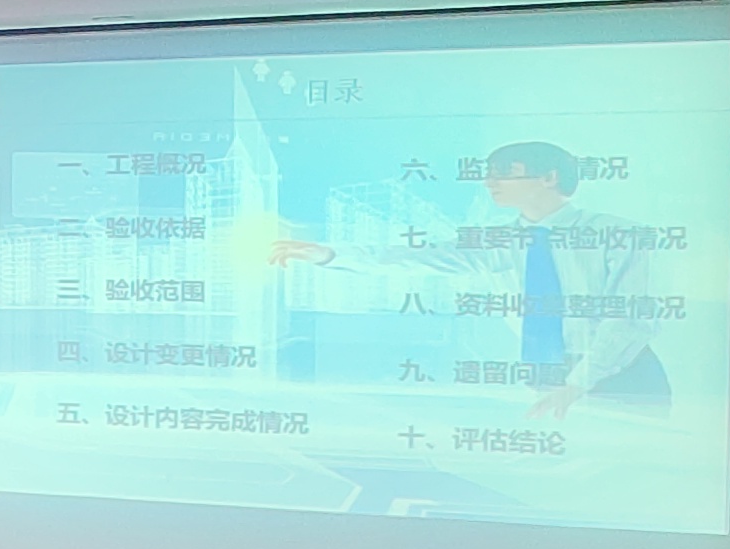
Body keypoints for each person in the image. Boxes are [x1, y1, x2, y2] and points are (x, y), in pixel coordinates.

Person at [273, 137, 672, 421]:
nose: (489, 182)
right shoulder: (498, 242)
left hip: (621, 378)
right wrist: (330, 254)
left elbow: (629, 318)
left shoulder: (618, 234)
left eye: (504, 173)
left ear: (549, 177)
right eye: (489, 173)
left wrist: (578, 383)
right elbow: (420, 257)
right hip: (545, 382)